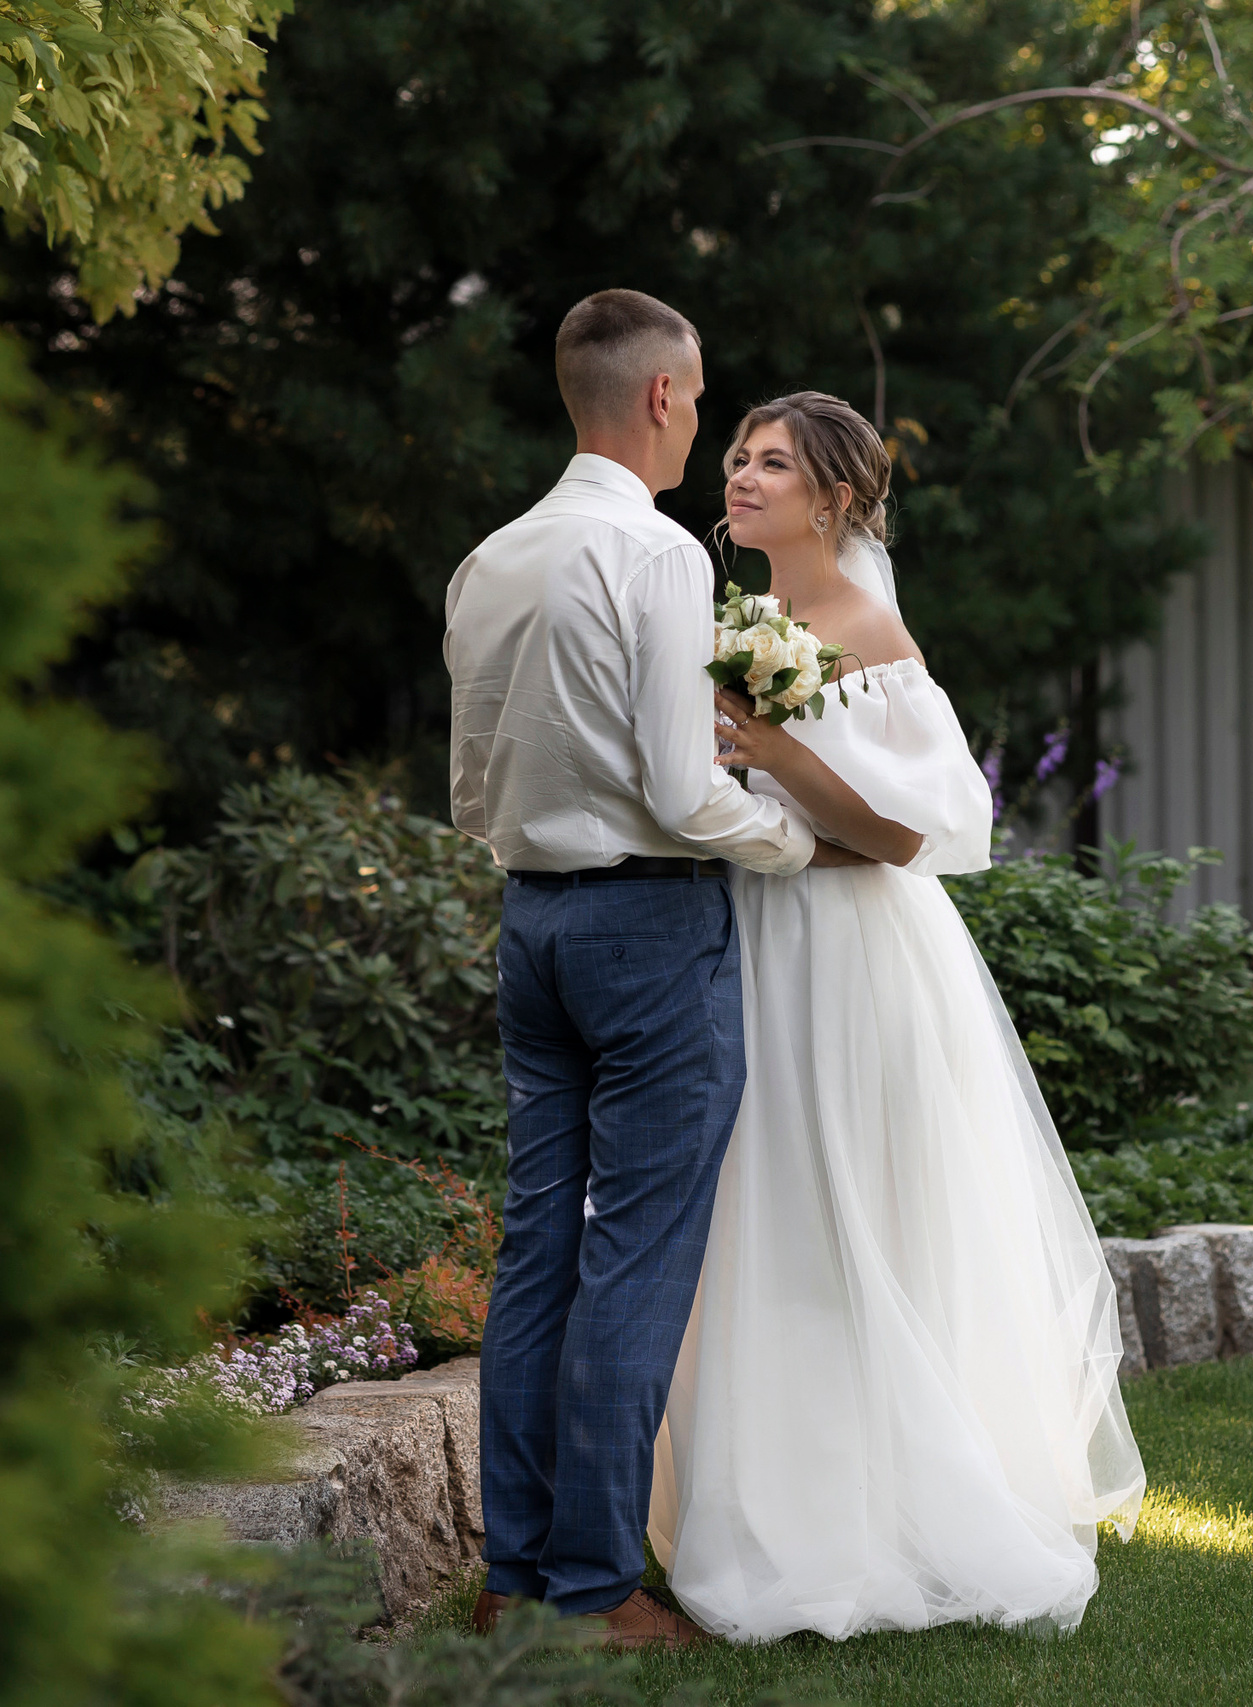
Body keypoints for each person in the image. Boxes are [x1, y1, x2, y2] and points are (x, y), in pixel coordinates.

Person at [648, 392, 1147, 1642]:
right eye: (739, 456)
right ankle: (767, 1503)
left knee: (846, 1211)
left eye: (773, 463)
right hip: (750, 937)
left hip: (847, 954)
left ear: (833, 500)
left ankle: (885, 1519)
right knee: (757, 1215)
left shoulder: (869, 632)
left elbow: (916, 832)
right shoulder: (737, 624)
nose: (742, 475)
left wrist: (777, 755)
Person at [442, 292, 864, 1651]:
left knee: (537, 1251)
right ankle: (592, 1591)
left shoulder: (490, 558)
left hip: (532, 927)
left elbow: (467, 791)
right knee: (632, 1256)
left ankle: (514, 1575)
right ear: (664, 396)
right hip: (648, 930)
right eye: (703, 401)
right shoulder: (656, 554)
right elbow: (687, 792)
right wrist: (794, 842)